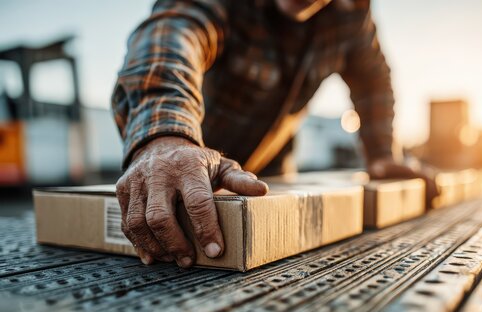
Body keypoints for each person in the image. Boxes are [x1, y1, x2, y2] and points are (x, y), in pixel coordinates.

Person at [112, 0, 437, 268]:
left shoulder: (351, 11)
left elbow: (372, 79)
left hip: (269, 177)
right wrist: (165, 137)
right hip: (181, 168)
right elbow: (171, 36)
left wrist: (382, 153)